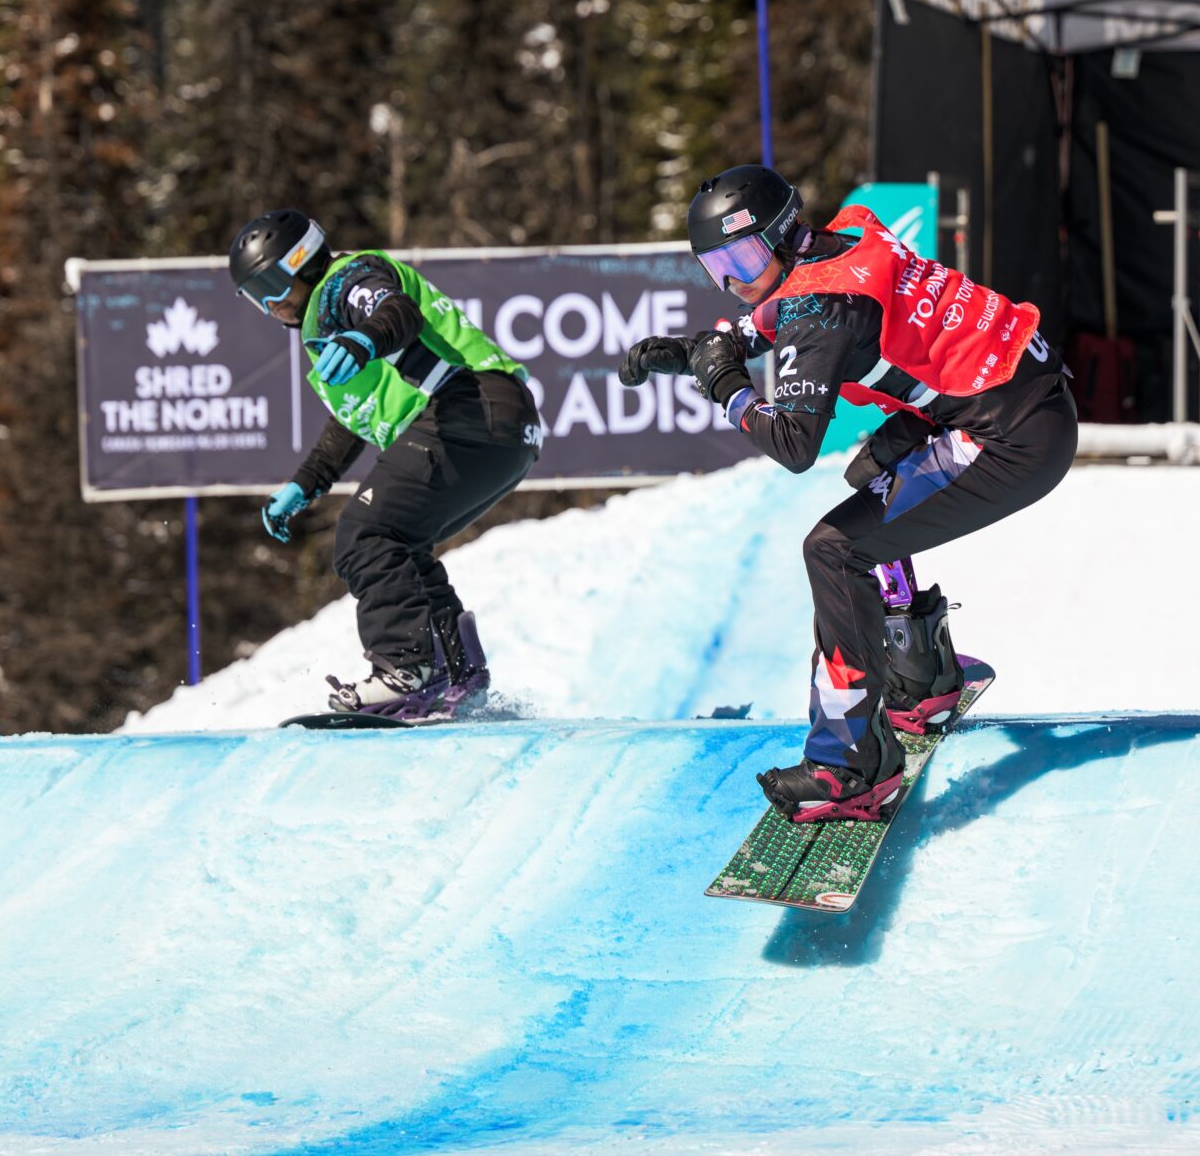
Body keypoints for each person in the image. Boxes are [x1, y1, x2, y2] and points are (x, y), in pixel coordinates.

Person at [620, 165, 1078, 821]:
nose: (737, 281)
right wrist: (692, 352)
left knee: (834, 549)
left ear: (782, 235)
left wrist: (724, 385)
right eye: (717, 268)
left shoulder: (819, 308)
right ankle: (922, 681)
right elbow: (782, 312)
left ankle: (853, 766)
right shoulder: (849, 232)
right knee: (873, 478)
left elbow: (791, 445)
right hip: (1019, 392)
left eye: (744, 256)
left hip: (1011, 432)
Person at [229, 209, 542, 721]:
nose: (267, 307)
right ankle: (456, 674)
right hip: (501, 428)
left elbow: (396, 312)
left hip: (469, 408)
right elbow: (354, 420)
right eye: (252, 297)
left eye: (268, 286)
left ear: (299, 263)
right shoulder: (328, 322)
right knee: (398, 542)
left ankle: (407, 671)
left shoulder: (343, 284)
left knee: (364, 535)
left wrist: (364, 339)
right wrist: (305, 483)